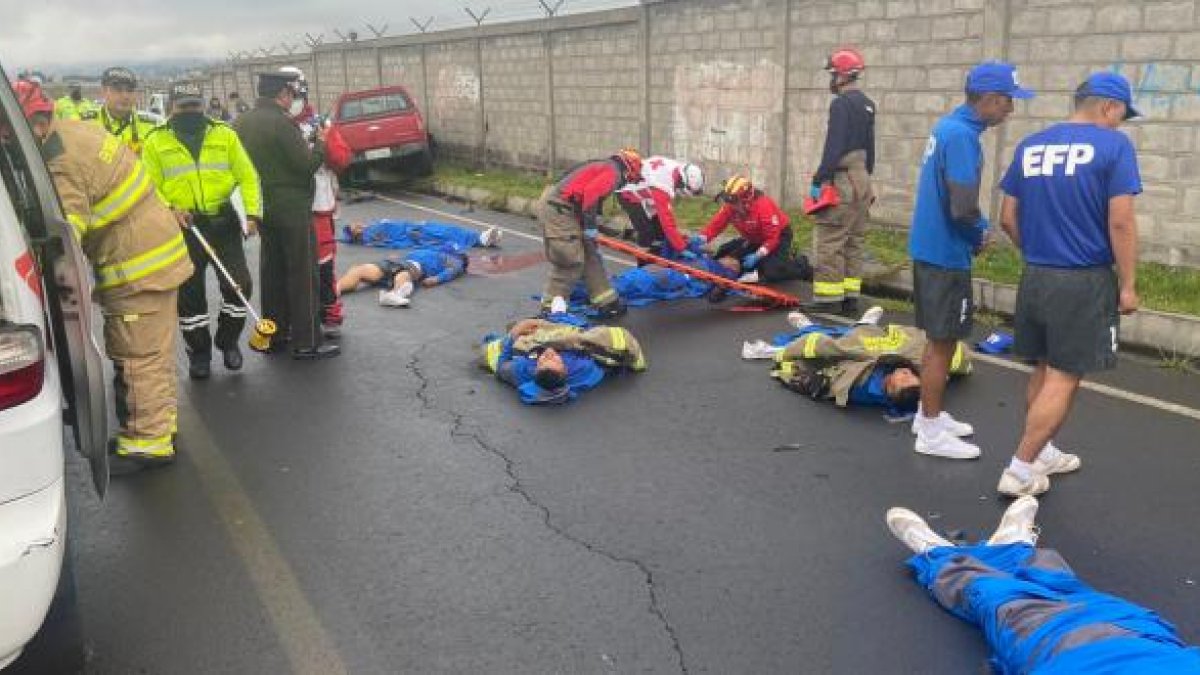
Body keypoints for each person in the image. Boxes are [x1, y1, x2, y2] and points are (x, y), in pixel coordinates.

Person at [21, 89, 193, 464]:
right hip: (154, 255)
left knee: (137, 355)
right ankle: (160, 427)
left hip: (139, 266)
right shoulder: (71, 131)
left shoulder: (58, 161)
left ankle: (146, 445)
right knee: (154, 353)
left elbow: (65, 235)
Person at [993, 72, 1143, 497]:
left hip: (1036, 275)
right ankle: (1020, 470)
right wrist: (1128, 284)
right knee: (1064, 375)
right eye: (1122, 115)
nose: (1121, 124)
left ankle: (1042, 453)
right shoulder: (1114, 146)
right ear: (1109, 106)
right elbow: (1120, 220)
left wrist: (1039, 253)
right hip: (1083, 279)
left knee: (1044, 364)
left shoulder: (1032, 144)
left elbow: (1008, 217)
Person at [886, 498, 1200, 673]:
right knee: (1066, 586)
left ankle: (938, 554)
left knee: (997, 598)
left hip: (1070, 653)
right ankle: (1017, 548)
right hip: (1147, 636)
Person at [908, 61, 1033, 460]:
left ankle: (927, 415)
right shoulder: (963, 137)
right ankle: (929, 429)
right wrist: (980, 234)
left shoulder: (948, 126)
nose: (1010, 110)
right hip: (946, 254)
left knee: (937, 339)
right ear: (991, 99)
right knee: (943, 342)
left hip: (930, 248)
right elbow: (961, 207)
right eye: (1008, 102)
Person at [141, 82, 262, 380]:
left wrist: (252, 214)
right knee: (190, 296)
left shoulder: (225, 134)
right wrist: (170, 209)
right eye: (184, 106)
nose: (191, 111)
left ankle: (228, 339)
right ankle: (200, 352)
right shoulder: (155, 142)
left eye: (195, 105)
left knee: (240, 285)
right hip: (185, 228)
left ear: (203, 105)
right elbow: (148, 187)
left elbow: (248, 176)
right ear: (172, 107)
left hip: (224, 223)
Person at [235, 70, 338, 359]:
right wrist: (321, 143)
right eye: (291, 94)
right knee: (303, 274)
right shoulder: (282, 124)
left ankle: (275, 333)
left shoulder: (241, 122)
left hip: (261, 206)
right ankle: (307, 341)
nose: (293, 100)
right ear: (282, 94)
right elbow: (305, 166)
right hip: (291, 206)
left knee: (273, 272)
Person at [771, 308, 974, 435]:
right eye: (911, 376)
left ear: (889, 388)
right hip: (878, 349)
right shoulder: (905, 377)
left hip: (854, 353)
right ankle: (865, 324)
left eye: (903, 378)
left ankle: (806, 326)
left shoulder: (861, 384)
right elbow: (953, 358)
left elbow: (834, 361)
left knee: (826, 338)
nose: (906, 373)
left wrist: (784, 357)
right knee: (927, 348)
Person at [808, 47, 876, 314]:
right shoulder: (868, 104)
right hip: (862, 179)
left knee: (831, 238)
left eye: (833, 73)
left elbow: (833, 146)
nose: (831, 79)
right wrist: (867, 181)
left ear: (841, 76)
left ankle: (827, 300)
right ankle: (850, 298)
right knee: (854, 240)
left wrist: (820, 178)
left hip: (843, 179)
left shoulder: (840, 105)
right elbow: (870, 149)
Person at [536, 148, 643, 318]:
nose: (628, 182)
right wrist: (590, 226)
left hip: (568, 208)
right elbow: (591, 195)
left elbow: (589, 195)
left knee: (591, 254)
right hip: (558, 209)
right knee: (571, 259)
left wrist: (592, 227)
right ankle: (550, 307)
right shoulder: (613, 173)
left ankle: (606, 301)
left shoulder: (605, 167)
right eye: (631, 178)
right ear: (629, 170)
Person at [479, 309, 646, 405]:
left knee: (493, 349)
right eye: (555, 360)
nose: (549, 354)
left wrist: (513, 336)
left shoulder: (522, 371)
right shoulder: (583, 368)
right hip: (578, 342)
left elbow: (502, 366)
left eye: (543, 361)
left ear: (535, 371)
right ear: (565, 369)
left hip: (531, 351)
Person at [693, 176, 812, 300]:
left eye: (734, 201)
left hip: (778, 236)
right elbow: (717, 224)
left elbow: (772, 238)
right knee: (725, 251)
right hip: (754, 238)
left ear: (746, 198)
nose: (730, 205)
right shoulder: (731, 207)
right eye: (729, 200)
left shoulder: (763, 206)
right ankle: (728, 280)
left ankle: (801, 265)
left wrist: (757, 255)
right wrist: (702, 238)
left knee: (773, 271)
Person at [615, 156, 705, 258]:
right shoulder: (663, 186)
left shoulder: (677, 169)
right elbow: (667, 220)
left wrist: (679, 238)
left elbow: (667, 217)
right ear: (683, 182)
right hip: (628, 194)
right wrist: (681, 247)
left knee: (660, 232)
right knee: (646, 233)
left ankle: (656, 258)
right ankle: (641, 267)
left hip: (646, 192)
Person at [336, 243, 471, 307]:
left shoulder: (456, 260)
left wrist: (437, 279)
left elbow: (451, 271)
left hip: (412, 265)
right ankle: (335, 288)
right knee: (361, 270)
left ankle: (396, 293)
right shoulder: (437, 251)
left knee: (403, 272)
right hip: (403, 262)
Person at [84, 67, 156, 153]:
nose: (125, 96)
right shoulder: (86, 125)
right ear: (103, 91)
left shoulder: (151, 126)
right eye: (118, 90)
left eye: (130, 90)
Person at [342, 219, 503, 250]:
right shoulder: (370, 234)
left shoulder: (370, 228)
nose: (357, 223)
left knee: (447, 230)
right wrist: (412, 236)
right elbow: (393, 239)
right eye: (354, 227)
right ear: (356, 233)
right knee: (445, 233)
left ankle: (481, 238)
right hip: (415, 233)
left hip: (415, 227)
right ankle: (481, 239)